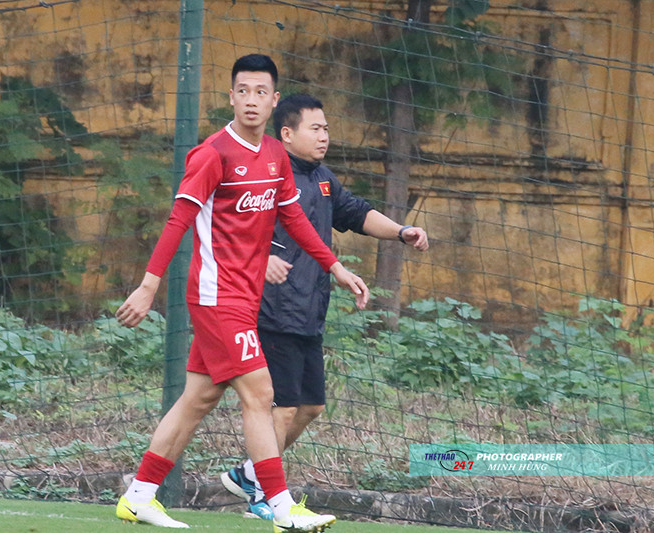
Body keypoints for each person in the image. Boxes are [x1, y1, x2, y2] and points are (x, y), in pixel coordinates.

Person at [114, 56, 368, 532]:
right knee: (262, 393)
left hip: (244, 297)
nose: (251, 100)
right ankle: (281, 507)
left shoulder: (274, 155)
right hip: (215, 296)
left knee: (198, 398)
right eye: (243, 91)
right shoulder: (213, 154)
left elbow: (293, 218)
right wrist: (149, 285)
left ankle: (140, 494)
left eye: (260, 92)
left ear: (274, 100)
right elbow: (178, 221)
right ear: (231, 97)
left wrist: (335, 267)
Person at [220, 94, 429, 518]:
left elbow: (355, 212)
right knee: (280, 409)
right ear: (286, 133)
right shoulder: (264, 175)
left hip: (309, 311)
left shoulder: (323, 179)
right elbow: (232, 230)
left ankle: (249, 475)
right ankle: (264, 498)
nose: (324, 136)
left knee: (311, 407)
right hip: (271, 310)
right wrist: (261, 262)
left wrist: (401, 231)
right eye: (315, 128)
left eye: (327, 129)